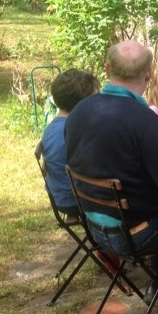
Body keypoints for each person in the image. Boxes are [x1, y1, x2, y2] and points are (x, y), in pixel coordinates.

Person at [65, 40, 158, 314]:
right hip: (136, 234)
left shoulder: (79, 111)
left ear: (107, 69)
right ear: (149, 74)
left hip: (94, 229)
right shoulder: (146, 122)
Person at [41, 69, 100, 217]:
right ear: (83, 103)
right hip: (77, 201)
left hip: (60, 197)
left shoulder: (51, 128)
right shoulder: (75, 131)